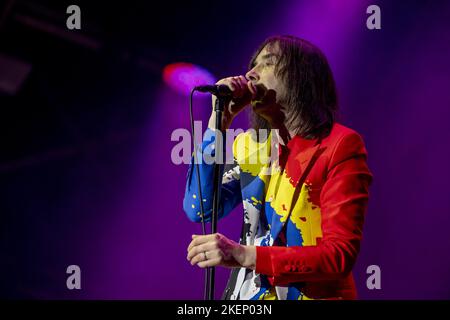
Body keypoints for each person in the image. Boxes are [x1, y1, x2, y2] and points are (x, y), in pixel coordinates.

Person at [183, 35, 372, 300]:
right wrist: (219, 122)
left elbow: (339, 256)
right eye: (253, 64)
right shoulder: (251, 146)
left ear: (301, 78)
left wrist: (243, 255)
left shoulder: (340, 145)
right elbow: (199, 208)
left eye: (267, 63)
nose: (251, 73)